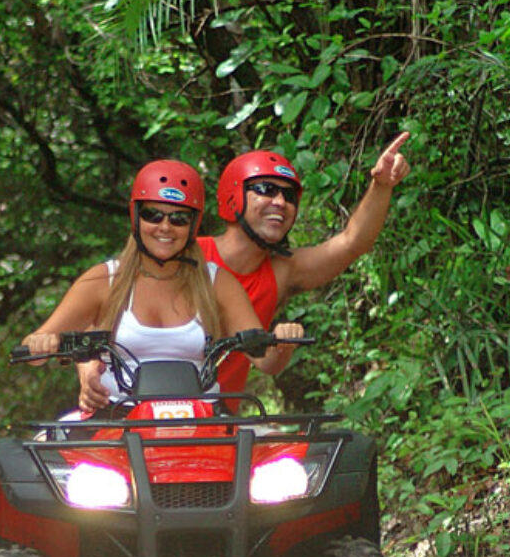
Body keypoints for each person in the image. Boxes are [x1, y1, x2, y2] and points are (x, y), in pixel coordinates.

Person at [23, 160, 303, 414]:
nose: (165, 227)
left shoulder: (217, 282)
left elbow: (266, 361)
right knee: (53, 466)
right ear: (136, 217)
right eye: (153, 215)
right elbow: (33, 350)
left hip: (201, 423)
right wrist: (42, 343)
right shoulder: (103, 281)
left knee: (276, 466)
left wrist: (282, 342)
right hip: (115, 422)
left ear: (193, 225)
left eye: (179, 218)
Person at [200, 133, 412, 398]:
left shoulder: (283, 270)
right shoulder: (191, 255)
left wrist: (382, 185)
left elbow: (351, 243)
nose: (280, 202)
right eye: (267, 190)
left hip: (219, 423)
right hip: (150, 413)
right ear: (233, 196)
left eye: (289, 195)